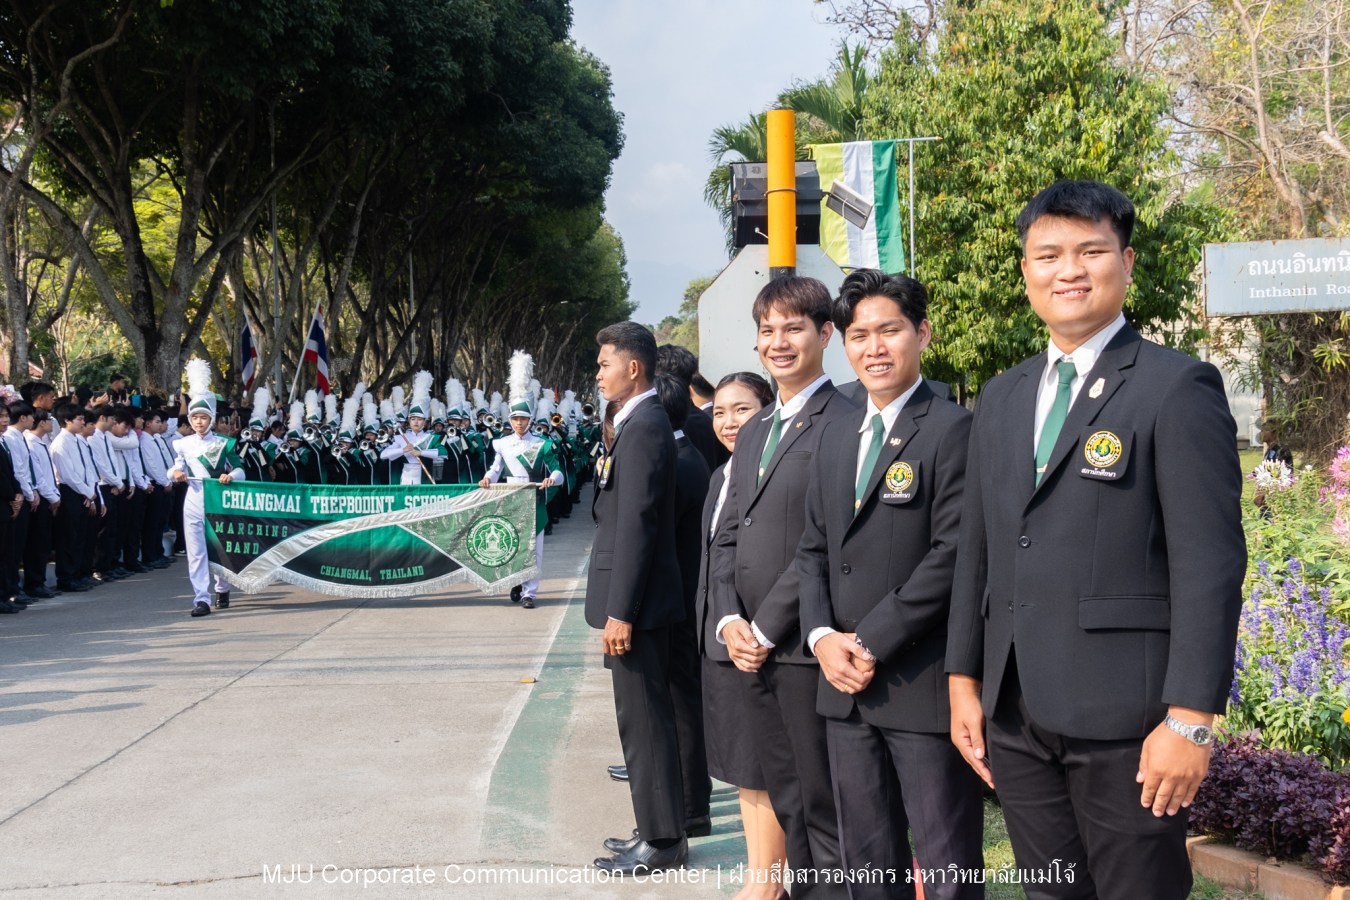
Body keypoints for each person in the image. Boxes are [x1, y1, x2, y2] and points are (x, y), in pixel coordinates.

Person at [946, 181, 1246, 900]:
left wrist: (1191, 721)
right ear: (1026, 272)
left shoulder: (1177, 388)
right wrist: (963, 681)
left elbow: (1210, 564)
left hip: (1128, 723)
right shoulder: (1002, 395)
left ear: (1127, 263)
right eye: (1047, 254)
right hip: (1016, 713)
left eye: (1090, 251)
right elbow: (978, 551)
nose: (1068, 270)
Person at [796, 269, 983, 898]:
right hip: (842, 689)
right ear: (843, 344)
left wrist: (868, 640)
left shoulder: (953, 429)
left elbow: (953, 554)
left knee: (946, 859)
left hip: (918, 684)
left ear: (921, 333)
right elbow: (813, 549)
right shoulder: (833, 434)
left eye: (889, 330)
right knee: (866, 859)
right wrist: (822, 637)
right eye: (858, 335)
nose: (873, 347)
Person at [709, 275, 854, 895]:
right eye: (767, 331)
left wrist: (765, 626)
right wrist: (727, 620)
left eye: (794, 328)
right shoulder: (759, 427)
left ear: (826, 334)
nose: (779, 342)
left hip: (802, 648)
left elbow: (821, 544)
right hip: (750, 649)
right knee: (786, 799)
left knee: (825, 809)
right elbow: (726, 537)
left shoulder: (847, 421)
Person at [588, 322, 688, 875]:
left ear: (633, 368)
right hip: (637, 602)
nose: (599, 373)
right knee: (643, 722)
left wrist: (620, 610)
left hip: (638, 608)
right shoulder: (636, 422)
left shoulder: (645, 424)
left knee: (646, 723)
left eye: (605, 364)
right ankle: (656, 828)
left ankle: (663, 839)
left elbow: (639, 526)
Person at [702, 371, 787, 899]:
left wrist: (752, 627)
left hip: (762, 641)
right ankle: (761, 876)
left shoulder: (770, 468)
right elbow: (717, 559)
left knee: (766, 767)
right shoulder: (722, 474)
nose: (729, 422)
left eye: (742, 409)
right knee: (743, 770)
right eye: (719, 412)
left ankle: (769, 884)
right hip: (723, 635)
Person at [478, 351, 562, 609]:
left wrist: (552, 480)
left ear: (530, 420)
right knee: (511, 545)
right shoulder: (501, 443)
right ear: (510, 420)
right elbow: (495, 468)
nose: (519, 422)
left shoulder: (543, 443)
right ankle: (516, 582)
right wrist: (487, 478)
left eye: (523, 419)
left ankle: (530, 593)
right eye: (515, 418)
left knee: (534, 548)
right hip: (510, 496)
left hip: (534, 496)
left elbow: (557, 471)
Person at [168, 359, 244, 617]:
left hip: (217, 502)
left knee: (219, 546)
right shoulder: (182, 444)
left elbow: (240, 469)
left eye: (203, 417)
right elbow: (173, 468)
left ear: (211, 419)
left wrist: (230, 476)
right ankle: (201, 598)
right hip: (192, 501)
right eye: (195, 417)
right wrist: (176, 473)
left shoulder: (225, 443)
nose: (199, 422)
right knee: (197, 552)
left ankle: (222, 587)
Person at [49, 403, 97, 593]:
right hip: (70, 492)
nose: (82, 422)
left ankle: (78, 574)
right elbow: (68, 474)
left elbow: (86, 468)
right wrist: (86, 491)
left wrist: (89, 492)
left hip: (82, 492)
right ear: (67, 421)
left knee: (79, 537)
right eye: (79, 419)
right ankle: (66, 578)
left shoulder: (77, 440)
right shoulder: (60, 443)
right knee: (68, 538)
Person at [380, 372, 445, 485]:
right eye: (413, 419)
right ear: (409, 421)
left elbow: (443, 453)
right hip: (405, 479)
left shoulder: (430, 437)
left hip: (425, 478)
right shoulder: (401, 437)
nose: (416, 422)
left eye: (419, 419)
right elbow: (383, 455)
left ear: (424, 422)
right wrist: (403, 450)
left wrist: (421, 452)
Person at [24, 411, 61, 596]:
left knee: (44, 543)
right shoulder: (30, 443)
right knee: (37, 544)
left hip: (49, 496)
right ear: (40, 423)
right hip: (41, 498)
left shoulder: (41, 442)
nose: (52, 424)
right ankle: (34, 583)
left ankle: (39, 581)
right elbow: (37, 476)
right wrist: (52, 497)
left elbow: (48, 472)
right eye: (49, 421)